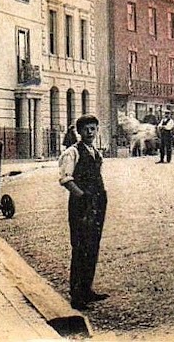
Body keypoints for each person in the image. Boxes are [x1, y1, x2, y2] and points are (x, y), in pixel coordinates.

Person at [58, 114, 109, 309]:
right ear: (79, 132)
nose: (90, 132)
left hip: (97, 203)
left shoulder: (96, 152)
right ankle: (77, 295)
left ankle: (87, 289)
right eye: (86, 129)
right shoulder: (72, 153)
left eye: (93, 129)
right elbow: (66, 179)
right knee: (80, 247)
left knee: (92, 245)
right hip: (81, 204)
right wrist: (83, 197)